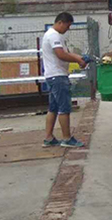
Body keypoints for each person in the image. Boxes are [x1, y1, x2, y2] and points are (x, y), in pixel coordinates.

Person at [42, 12, 86, 148]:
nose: (68, 29)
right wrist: (78, 59)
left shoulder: (51, 35)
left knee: (53, 108)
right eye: (67, 25)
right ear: (60, 22)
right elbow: (61, 54)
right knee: (64, 107)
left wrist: (78, 57)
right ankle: (67, 138)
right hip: (58, 76)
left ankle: (49, 137)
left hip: (52, 76)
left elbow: (64, 53)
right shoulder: (53, 35)